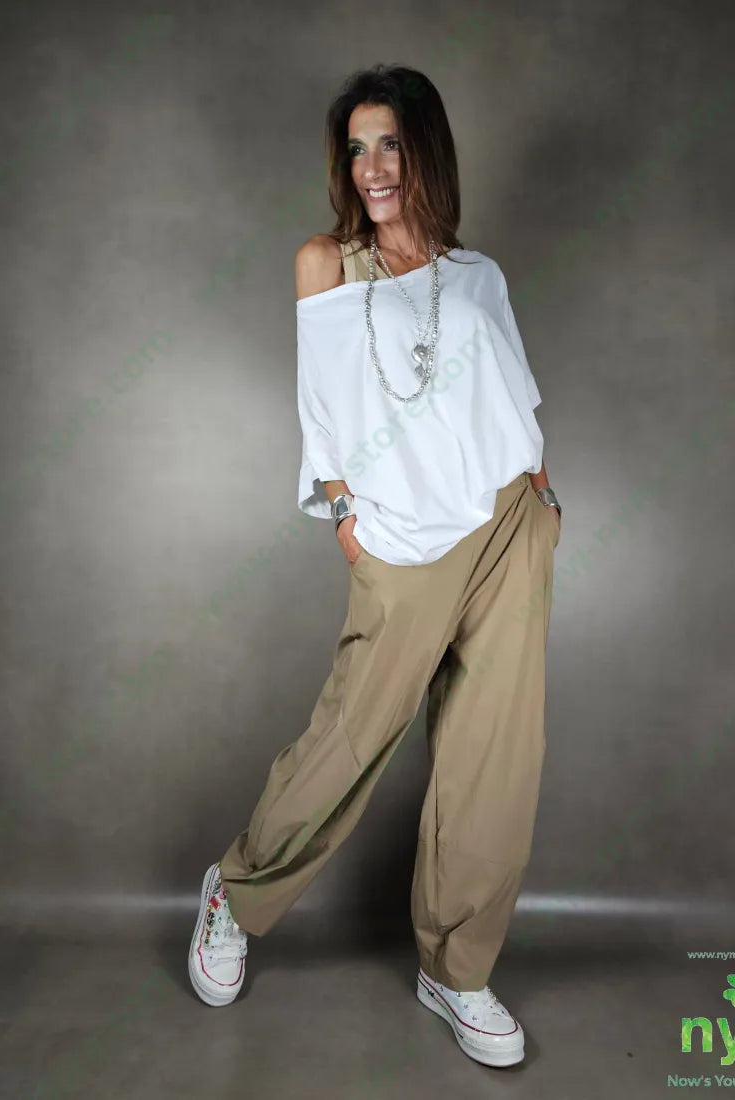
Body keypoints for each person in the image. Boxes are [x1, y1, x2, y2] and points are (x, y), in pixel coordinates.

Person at [188, 63, 562, 1070]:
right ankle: (237, 891)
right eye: (356, 149)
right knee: (350, 738)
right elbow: (322, 405)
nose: (372, 167)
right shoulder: (328, 264)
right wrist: (344, 516)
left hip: (507, 526)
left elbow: (515, 394)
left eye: (390, 142)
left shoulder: (477, 274)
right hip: (400, 539)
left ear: (425, 148)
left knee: (494, 756)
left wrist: (539, 496)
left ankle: (457, 966)